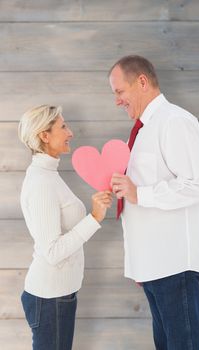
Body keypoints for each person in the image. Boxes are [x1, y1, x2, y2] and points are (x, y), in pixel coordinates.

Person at [109, 55, 199, 350]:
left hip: (173, 263)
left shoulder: (174, 121)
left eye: (119, 91)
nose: (117, 101)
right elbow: (139, 193)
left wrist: (138, 193)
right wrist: (139, 263)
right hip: (154, 264)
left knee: (183, 344)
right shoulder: (145, 129)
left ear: (142, 82)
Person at [18, 105, 112, 350]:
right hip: (49, 298)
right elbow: (52, 251)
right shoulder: (41, 183)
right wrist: (94, 218)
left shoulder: (49, 175)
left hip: (59, 295)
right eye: (63, 127)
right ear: (44, 136)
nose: (70, 133)